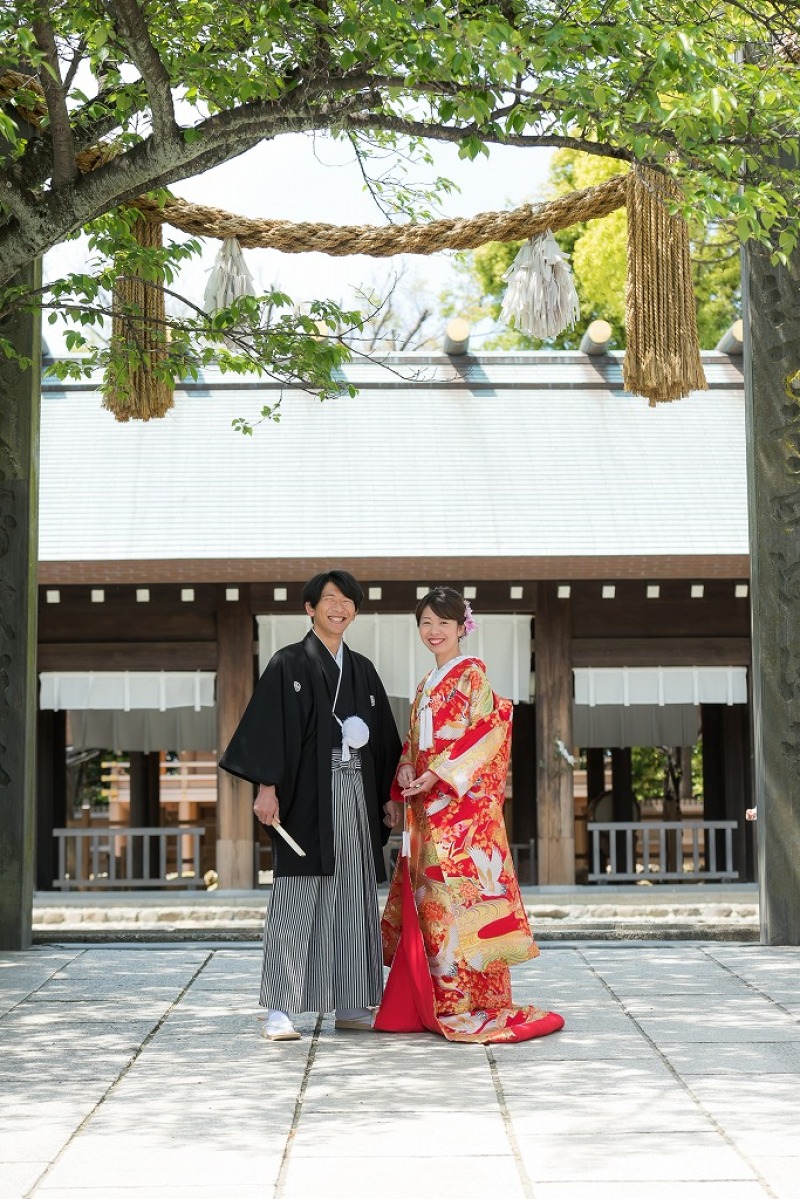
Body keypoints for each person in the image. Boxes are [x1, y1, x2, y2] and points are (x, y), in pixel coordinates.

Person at [374, 586, 564, 1044]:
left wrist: (437, 775)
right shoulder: (425, 686)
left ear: (463, 627)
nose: (434, 631)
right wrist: (405, 772)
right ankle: (438, 1000)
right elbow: (413, 743)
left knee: (463, 910)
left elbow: (487, 735)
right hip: (427, 814)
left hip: (462, 820)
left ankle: (473, 1004)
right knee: (433, 909)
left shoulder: (472, 675)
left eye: (443, 623)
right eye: (426, 623)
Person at [219, 570, 401, 1040]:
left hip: (355, 796)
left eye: (347, 602)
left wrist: (389, 798)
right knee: (298, 896)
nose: (339, 608)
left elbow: (383, 742)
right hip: (305, 798)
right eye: (329, 600)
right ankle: (280, 1008)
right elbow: (268, 731)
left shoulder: (362, 669)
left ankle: (351, 1003)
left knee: (353, 897)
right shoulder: (288, 664)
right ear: (310, 608)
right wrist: (266, 786)